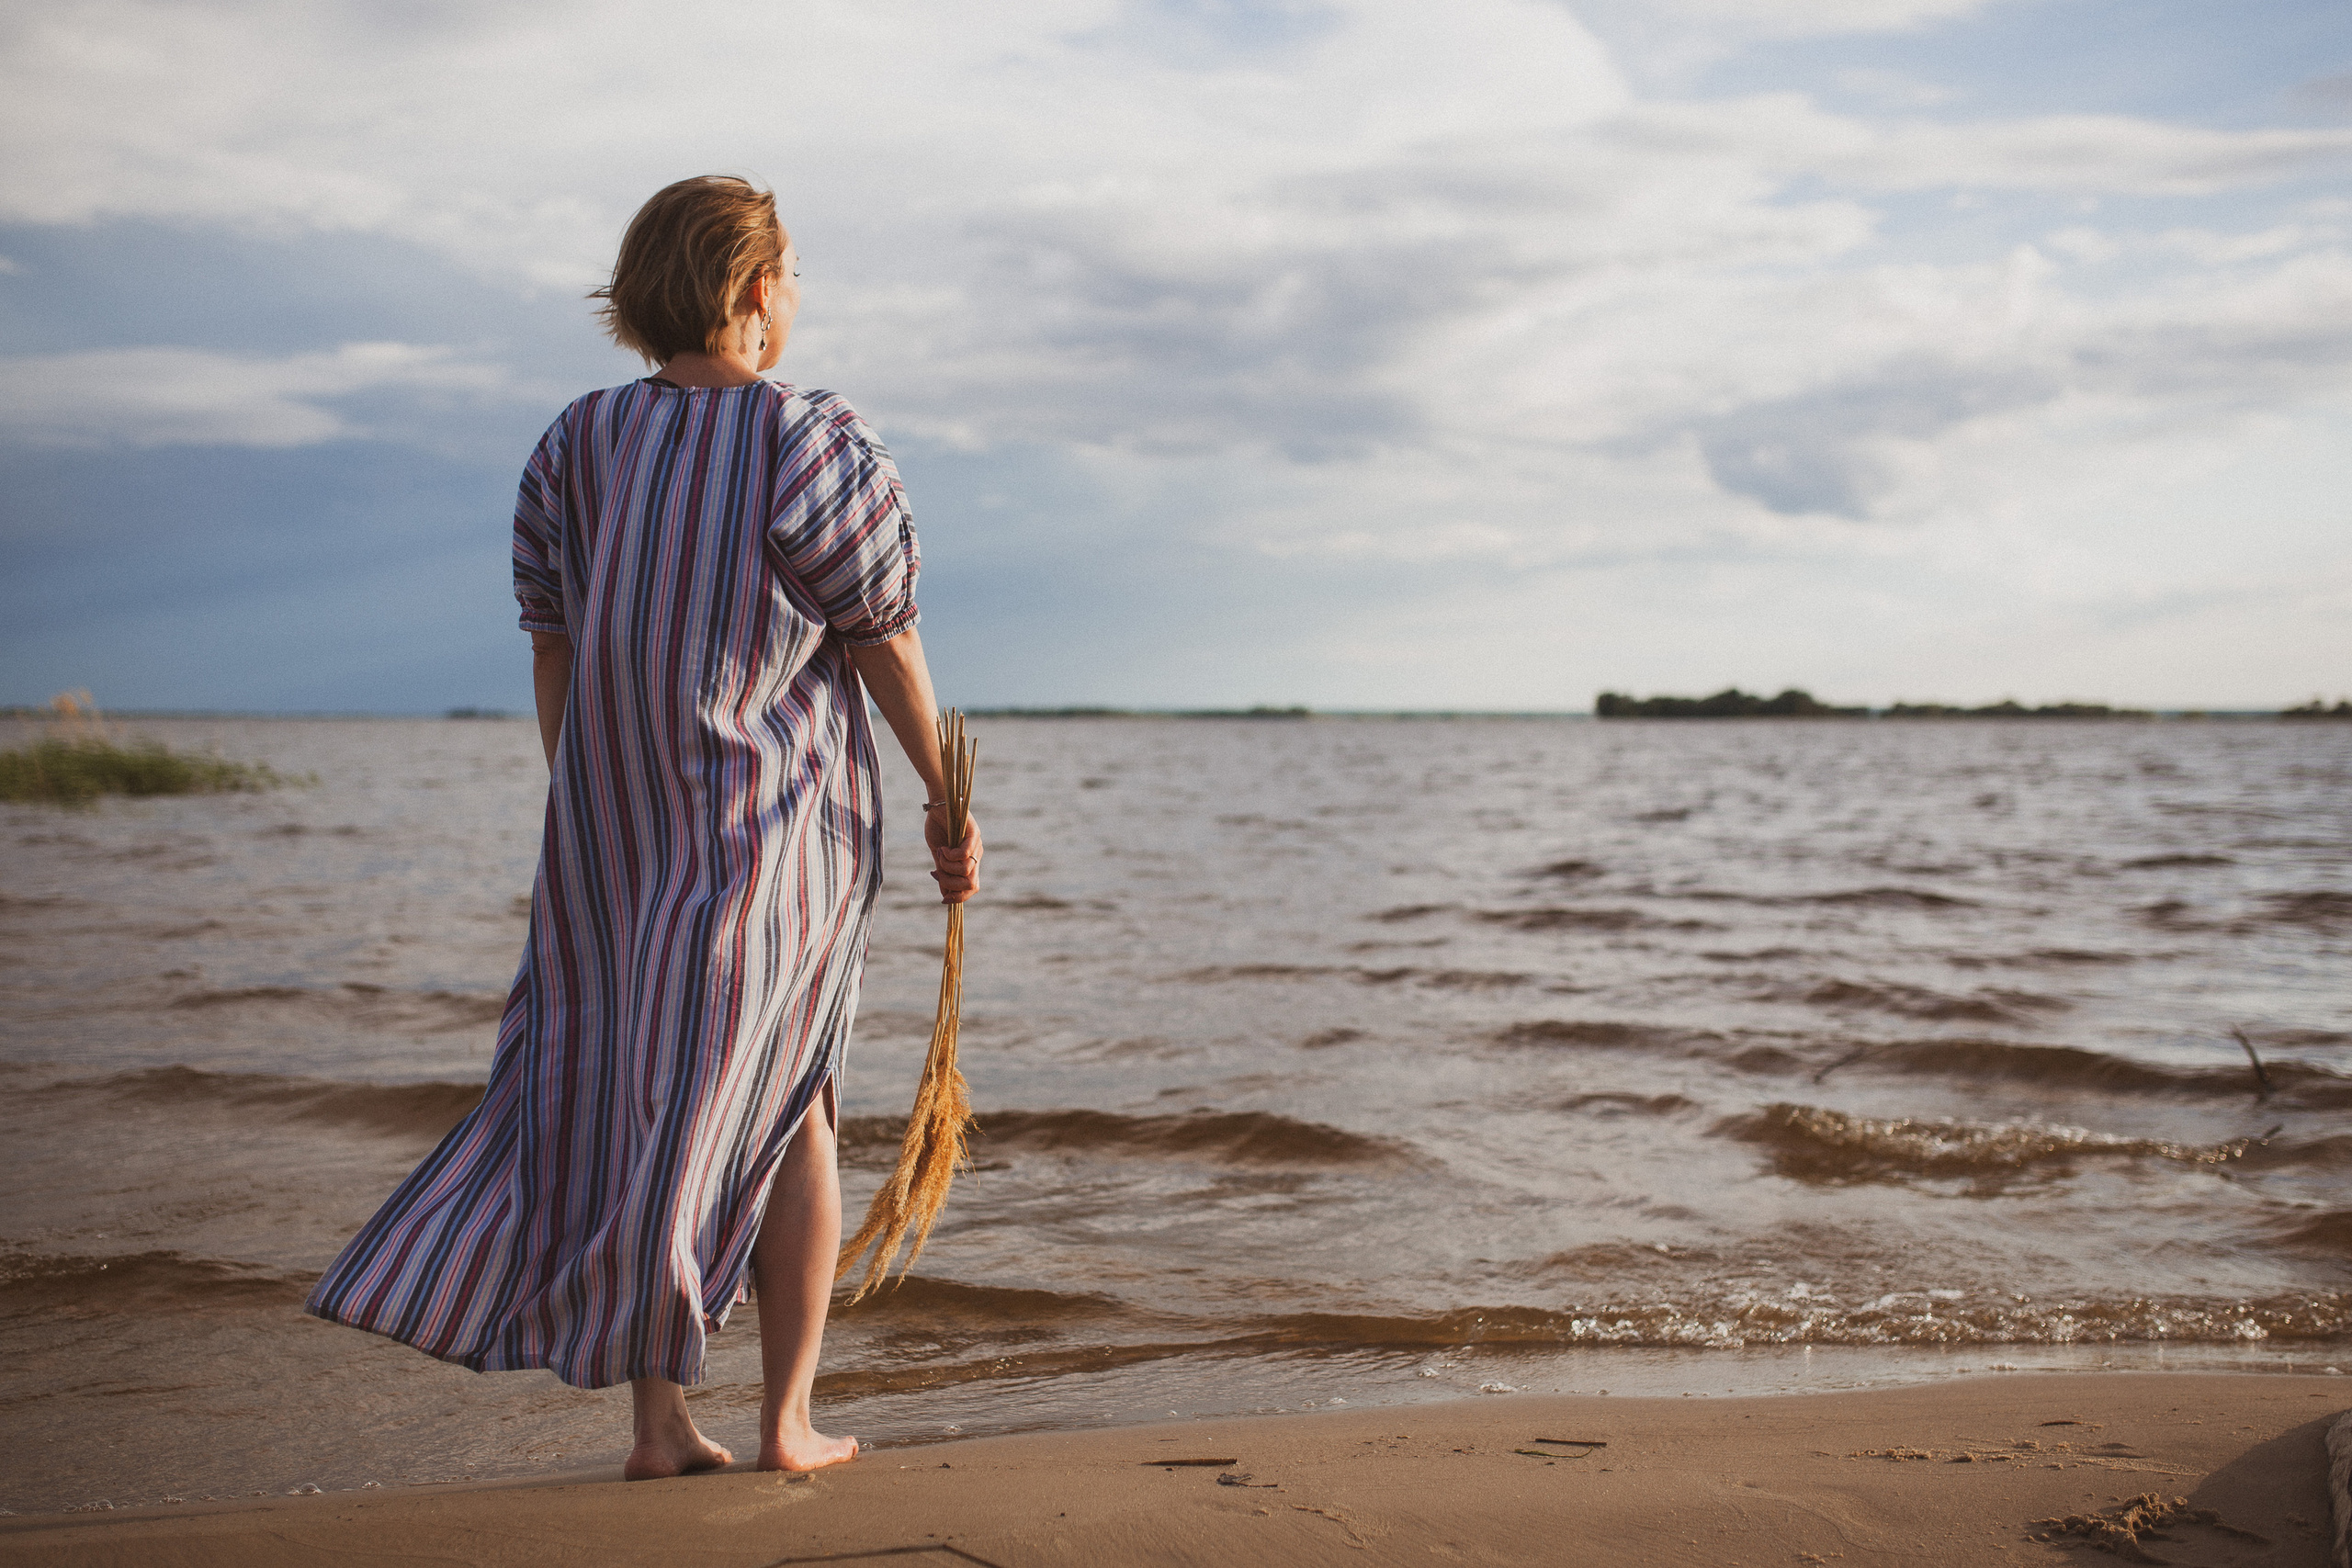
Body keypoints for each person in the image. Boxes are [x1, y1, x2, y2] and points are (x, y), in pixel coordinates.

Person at [306, 175, 979, 1480]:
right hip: (766, 831)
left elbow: (553, 648)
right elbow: (883, 639)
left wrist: (587, 803)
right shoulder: (806, 437)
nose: (791, 300)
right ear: (755, 291)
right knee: (790, 1111)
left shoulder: (576, 443)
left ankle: (660, 1427)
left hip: (609, 838)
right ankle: (784, 1422)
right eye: (786, 278)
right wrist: (948, 794)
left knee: (637, 1103)